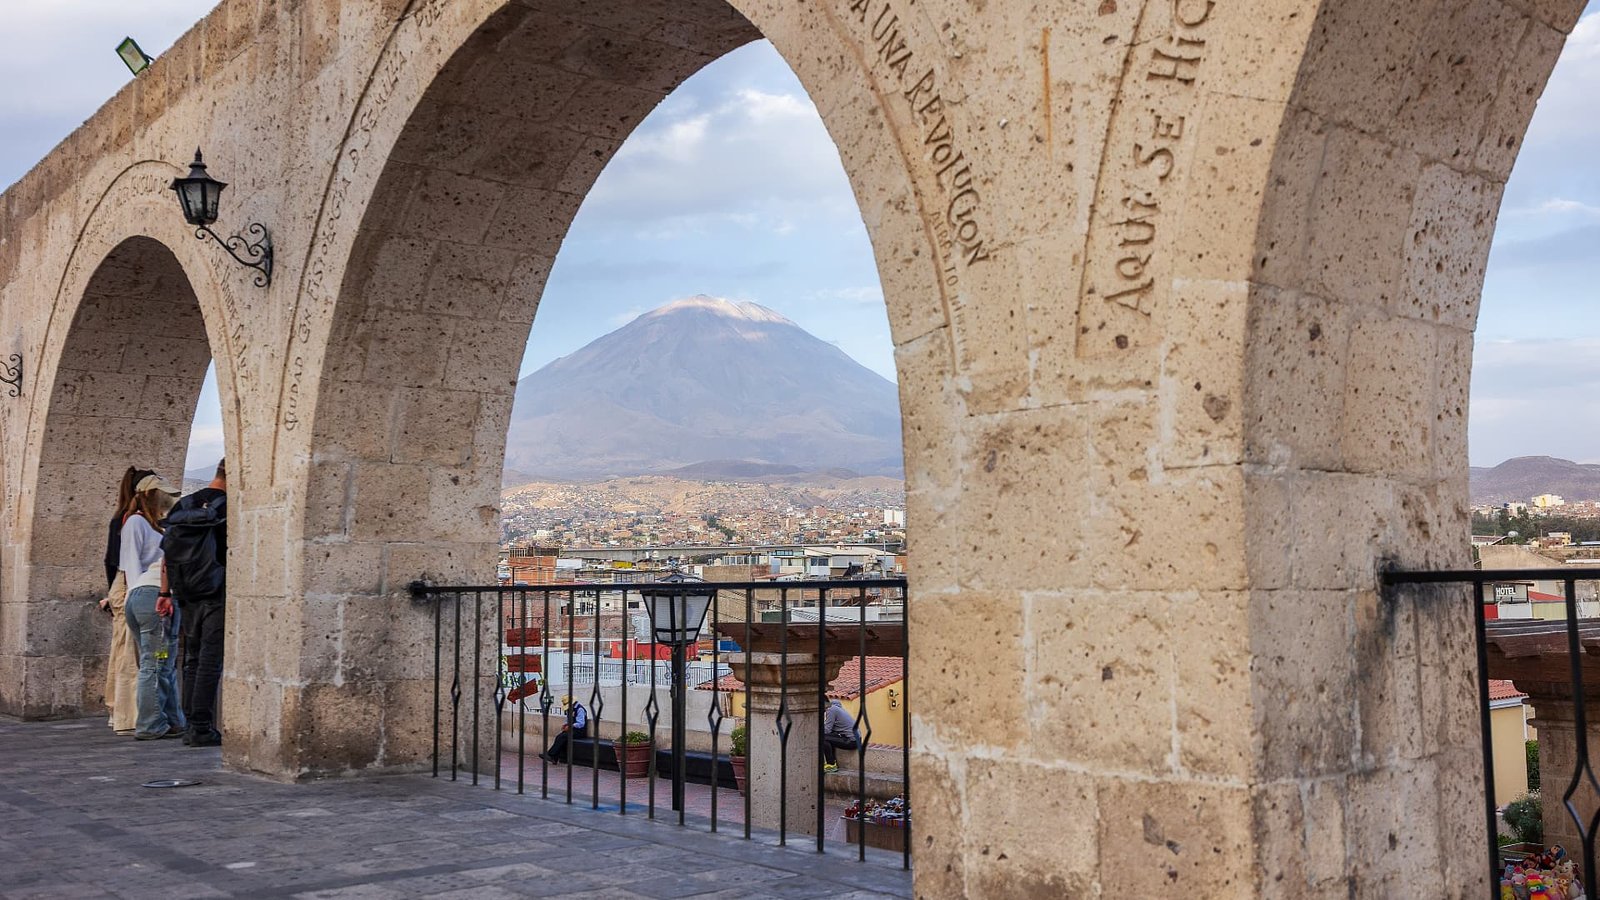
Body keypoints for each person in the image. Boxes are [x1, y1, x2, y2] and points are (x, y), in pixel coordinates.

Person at [163, 459, 227, 748]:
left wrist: (166, 593)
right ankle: (201, 726)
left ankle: (192, 723)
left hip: (186, 591)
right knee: (210, 660)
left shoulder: (184, 505)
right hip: (216, 589)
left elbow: (165, 553)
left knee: (192, 658)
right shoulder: (226, 508)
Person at [121, 474, 185, 741]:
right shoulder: (135, 522)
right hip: (152, 597)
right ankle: (149, 724)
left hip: (145, 598)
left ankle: (173, 720)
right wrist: (158, 596)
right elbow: (131, 563)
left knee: (163, 662)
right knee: (155, 663)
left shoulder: (155, 526)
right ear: (149, 495)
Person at [99, 466, 152, 735]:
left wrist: (111, 592)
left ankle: (116, 709)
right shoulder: (130, 520)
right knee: (127, 652)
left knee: (122, 649)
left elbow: (110, 560)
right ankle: (125, 713)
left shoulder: (122, 518)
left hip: (121, 586)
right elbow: (121, 560)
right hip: (130, 585)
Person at [542, 696, 588, 763]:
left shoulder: (580, 709)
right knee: (559, 737)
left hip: (579, 731)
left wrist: (571, 726)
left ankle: (550, 754)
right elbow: (568, 720)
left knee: (563, 737)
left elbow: (581, 724)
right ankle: (554, 758)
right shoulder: (570, 709)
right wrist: (565, 725)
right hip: (572, 730)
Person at [821, 697, 860, 774]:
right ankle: (833, 762)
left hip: (851, 741)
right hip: (855, 739)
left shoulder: (831, 710)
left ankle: (831, 765)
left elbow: (827, 730)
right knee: (828, 737)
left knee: (821, 738)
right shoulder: (836, 708)